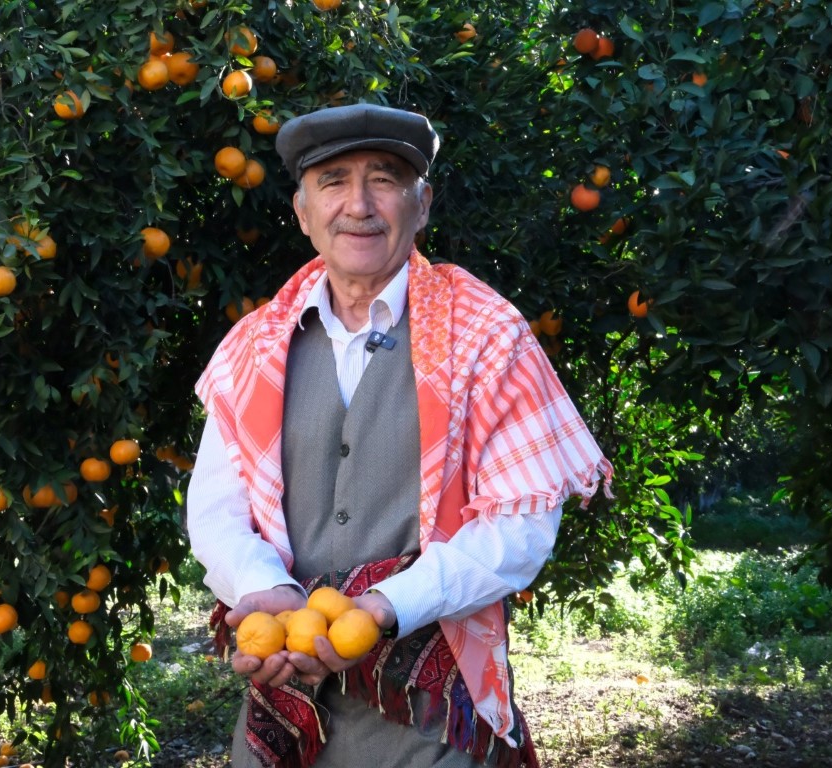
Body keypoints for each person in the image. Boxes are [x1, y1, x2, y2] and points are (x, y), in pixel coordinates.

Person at [186, 102, 612, 768]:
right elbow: (216, 511)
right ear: (302, 212)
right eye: (332, 181)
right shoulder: (253, 348)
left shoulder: (490, 339)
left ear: (422, 205)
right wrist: (265, 587)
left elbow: (519, 527)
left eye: (383, 179)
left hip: (428, 725)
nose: (358, 204)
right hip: (282, 715)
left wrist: (388, 606)